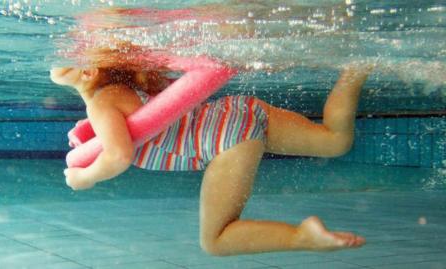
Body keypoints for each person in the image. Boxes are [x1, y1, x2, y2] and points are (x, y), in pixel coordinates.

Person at [50, 10, 371, 257]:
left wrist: (86, 177)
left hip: (225, 142)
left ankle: (303, 236)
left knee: (216, 240)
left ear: (89, 71)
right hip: (236, 112)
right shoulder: (122, 91)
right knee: (335, 140)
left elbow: (119, 155)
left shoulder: (103, 103)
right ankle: (356, 69)